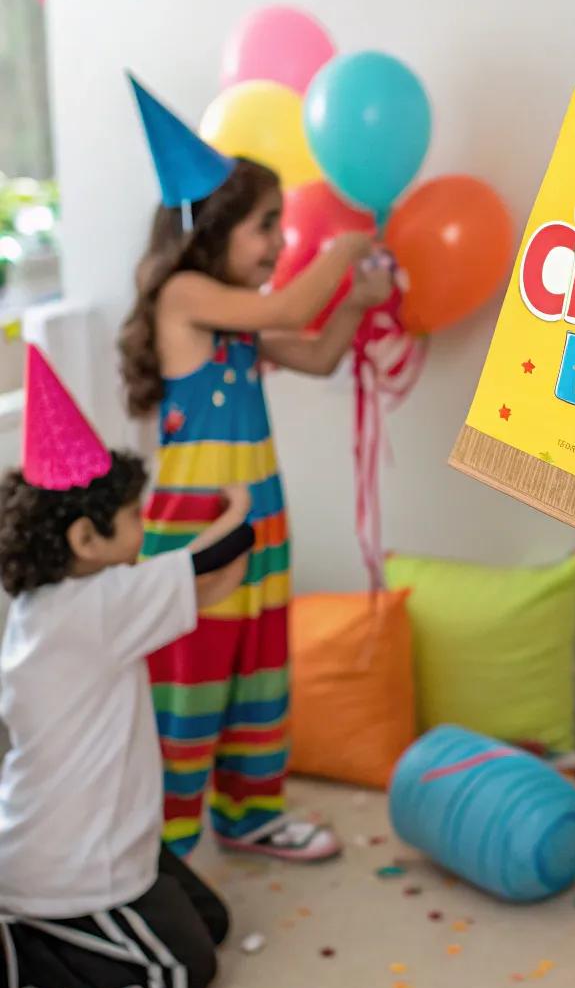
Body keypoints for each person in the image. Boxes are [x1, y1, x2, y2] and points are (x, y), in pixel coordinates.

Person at [118, 78, 392, 862]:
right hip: (198, 523)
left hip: (260, 514)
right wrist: (338, 249)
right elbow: (284, 313)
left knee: (258, 666)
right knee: (193, 673)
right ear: (214, 230)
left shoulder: (232, 317)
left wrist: (353, 302)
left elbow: (312, 349)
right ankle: (170, 834)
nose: (278, 244)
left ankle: (249, 812)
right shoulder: (185, 294)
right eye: (267, 227)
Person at [0, 348, 252, 988]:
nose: (145, 531)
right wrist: (241, 506)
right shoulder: (98, 606)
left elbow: (192, 578)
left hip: (88, 839)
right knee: (186, 966)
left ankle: (45, 920)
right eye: (134, 517)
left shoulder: (44, 605)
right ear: (85, 537)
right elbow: (221, 566)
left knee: (213, 924)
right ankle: (19, 952)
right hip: (71, 868)